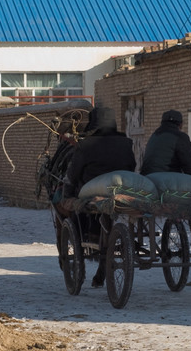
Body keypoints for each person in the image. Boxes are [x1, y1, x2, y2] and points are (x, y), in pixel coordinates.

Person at [63, 106, 136, 287]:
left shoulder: (85, 144)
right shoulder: (126, 142)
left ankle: (90, 234)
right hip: (122, 189)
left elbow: (73, 174)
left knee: (78, 204)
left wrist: (67, 195)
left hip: (94, 192)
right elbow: (132, 165)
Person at [140, 109, 191, 254]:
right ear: (180, 124)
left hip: (148, 185)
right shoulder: (179, 137)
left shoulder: (154, 136)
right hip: (168, 186)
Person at [140, 109, 191, 176]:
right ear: (180, 124)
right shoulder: (179, 137)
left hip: (147, 178)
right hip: (165, 179)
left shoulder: (155, 135)